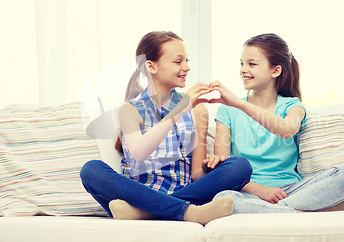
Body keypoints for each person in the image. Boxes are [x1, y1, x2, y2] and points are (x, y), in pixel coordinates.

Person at [80, 31, 252, 224]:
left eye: (187, 60)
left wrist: (210, 165)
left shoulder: (197, 110)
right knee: (91, 170)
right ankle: (188, 213)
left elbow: (196, 173)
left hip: (183, 191)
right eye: (178, 62)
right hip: (137, 193)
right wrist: (180, 109)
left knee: (240, 166)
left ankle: (146, 212)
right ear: (151, 66)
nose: (186, 67)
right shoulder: (130, 110)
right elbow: (138, 151)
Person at [210, 33, 344, 213]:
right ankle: (298, 212)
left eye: (251, 64)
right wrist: (261, 191)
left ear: (275, 70)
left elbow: (287, 129)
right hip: (248, 191)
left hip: (291, 190)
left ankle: (277, 211)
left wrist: (239, 103)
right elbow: (224, 170)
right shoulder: (227, 110)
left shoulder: (293, 106)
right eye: (241, 63)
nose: (243, 69)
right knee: (223, 199)